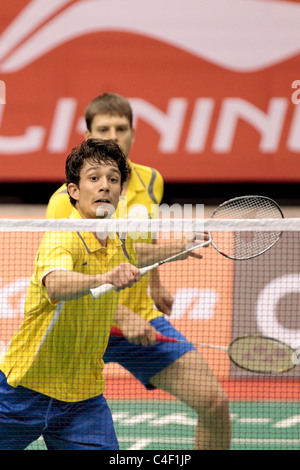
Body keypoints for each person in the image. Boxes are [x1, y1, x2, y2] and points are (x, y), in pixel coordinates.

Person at [46, 93, 232, 450]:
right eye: (104, 128)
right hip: (80, 325)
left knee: (214, 402)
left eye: (121, 128)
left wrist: (155, 283)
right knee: (37, 418)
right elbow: (62, 275)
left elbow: (138, 240)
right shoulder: (63, 200)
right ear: (87, 135)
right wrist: (120, 312)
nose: (114, 136)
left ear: (133, 132)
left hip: (140, 319)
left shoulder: (151, 180)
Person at [0, 139, 147, 450]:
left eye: (113, 179)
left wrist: (183, 246)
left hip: (83, 396)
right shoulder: (62, 235)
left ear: (121, 189)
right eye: (94, 178)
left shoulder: (119, 239)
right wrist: (105, 277)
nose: (105, 186)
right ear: (74, 191)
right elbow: (56, 283)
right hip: (25, 388)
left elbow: (139, 253)